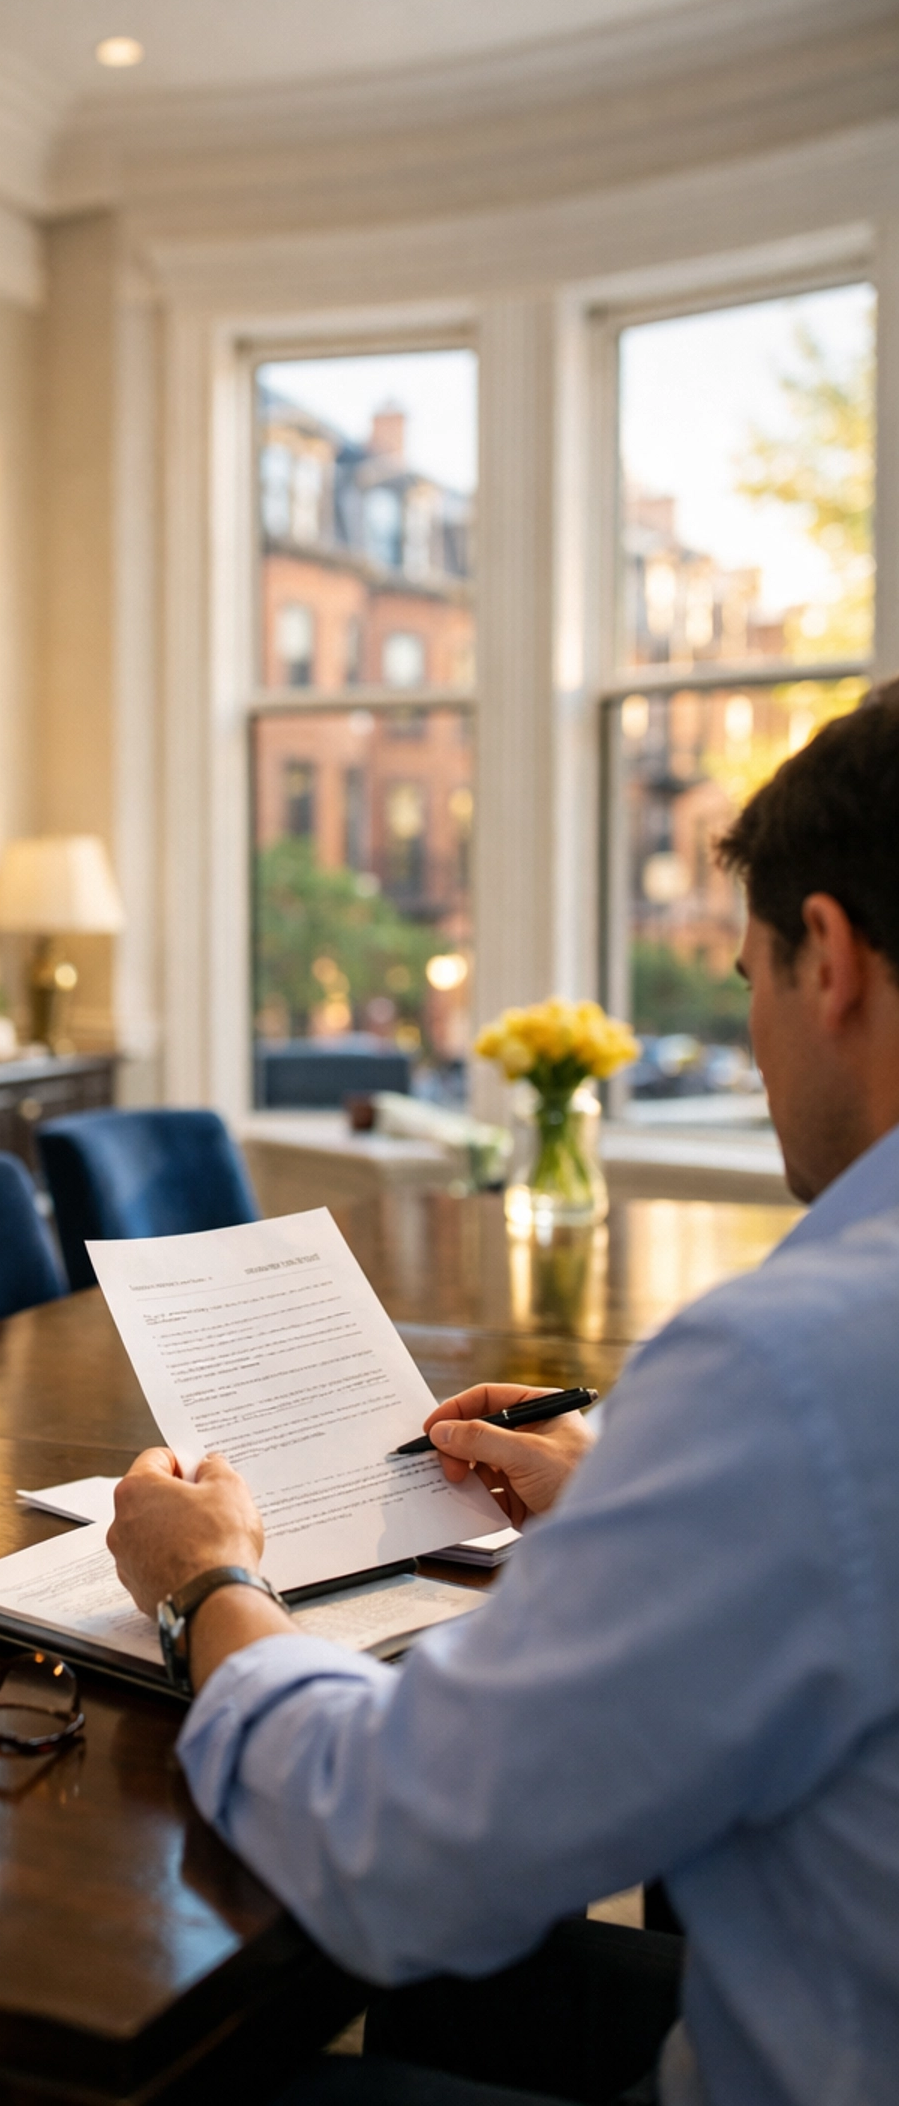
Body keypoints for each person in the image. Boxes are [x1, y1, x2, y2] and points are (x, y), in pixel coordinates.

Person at [108, 683, 899, 2106]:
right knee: (480, 1997)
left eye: (747, 983)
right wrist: (633, 1506)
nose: (760, 1041)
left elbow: (399, 1849)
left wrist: (204, 1589)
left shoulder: (794, 1364)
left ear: (827, 958)